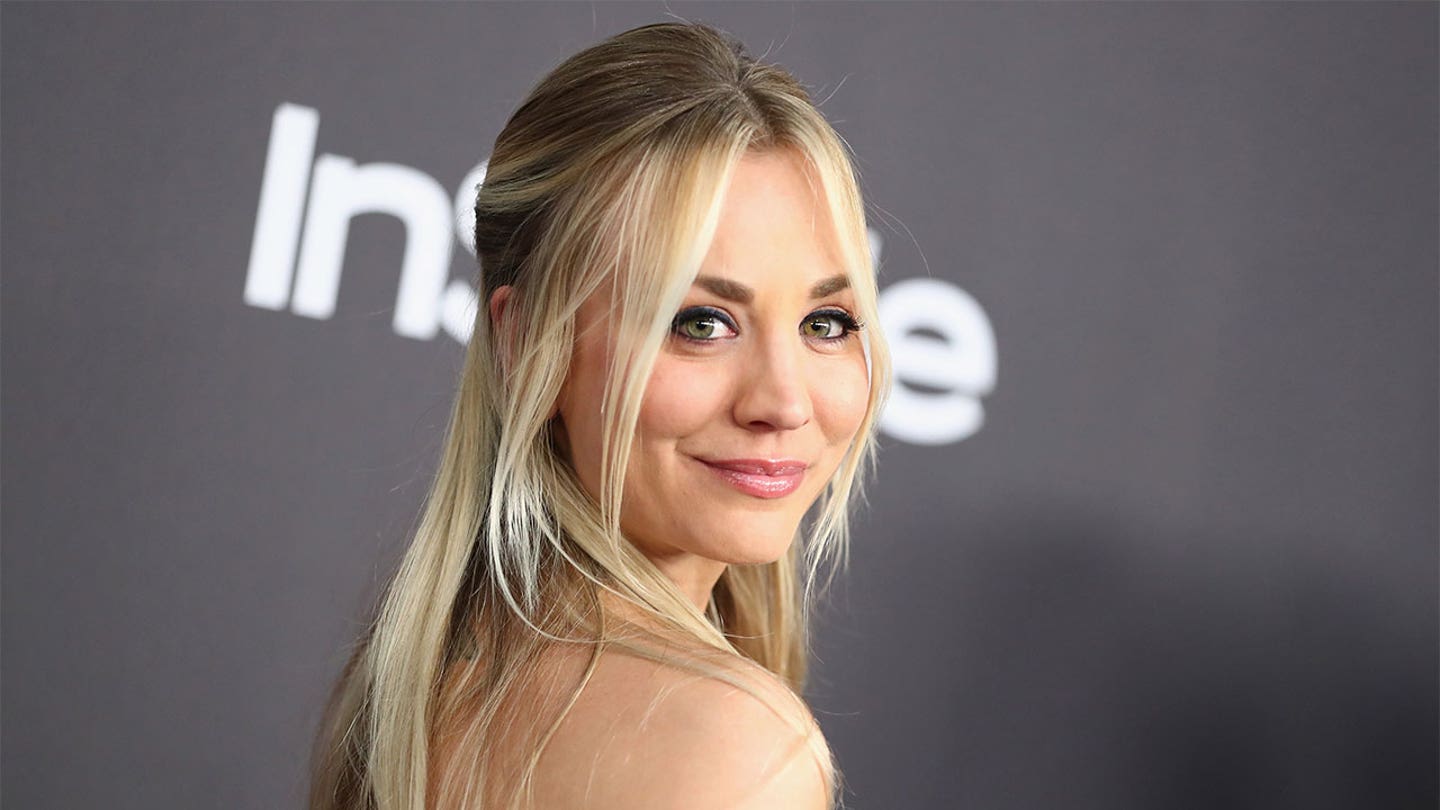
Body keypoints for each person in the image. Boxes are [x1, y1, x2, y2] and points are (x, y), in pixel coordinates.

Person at [310, 21, 892, 810]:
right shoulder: (734, 749)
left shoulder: (412, 694)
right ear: (527, 345)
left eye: (826, 322)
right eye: (701, 323)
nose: (784, 402)